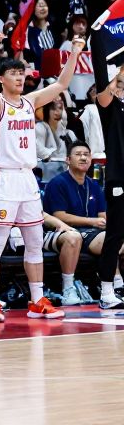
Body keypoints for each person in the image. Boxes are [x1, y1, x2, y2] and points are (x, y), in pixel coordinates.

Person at [0, 32, 85, 322]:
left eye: (21, 73)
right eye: (13, 74)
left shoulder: (29, 102)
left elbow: (63, 83)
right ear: (2, 78)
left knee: (35, 240)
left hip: (27, 179)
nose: (19, 78)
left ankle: (37, 299)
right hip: (4, 178)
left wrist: (74, 51)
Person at [43, 141, 119, 305]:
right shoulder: (57, 183)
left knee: (115, 236)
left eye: (86, 154)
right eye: (78, 154)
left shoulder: (94, 185)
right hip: (57, 232)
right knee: (78, 238)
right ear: (68, 160)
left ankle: (117, 285)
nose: (83, 158)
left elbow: (102, 215)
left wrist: (109, 223)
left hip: (90, 233)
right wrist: (92, 221)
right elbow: (59, 215)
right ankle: (68, 289)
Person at [91, 23, 124, 309]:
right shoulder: (109, 107)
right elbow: (102, 80)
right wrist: (97, 38)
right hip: (119, 180)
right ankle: (106, 291)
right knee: (116, 234)